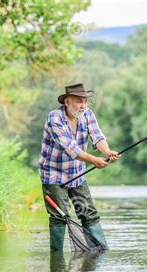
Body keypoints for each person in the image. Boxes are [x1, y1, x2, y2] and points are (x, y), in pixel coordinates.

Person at [39, 83, 120, 251]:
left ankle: (100, 252)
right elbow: (70, 148)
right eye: (78, 101)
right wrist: (94, 161)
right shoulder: (54, 118)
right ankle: (56, 259)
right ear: (67, 102)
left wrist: (107, 152)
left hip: (77, 173)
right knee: (59, 216)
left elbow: (97, 137)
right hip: (53, 174)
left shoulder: (88, 114)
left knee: (88, 213)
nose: (83, 105)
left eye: (85, 101)